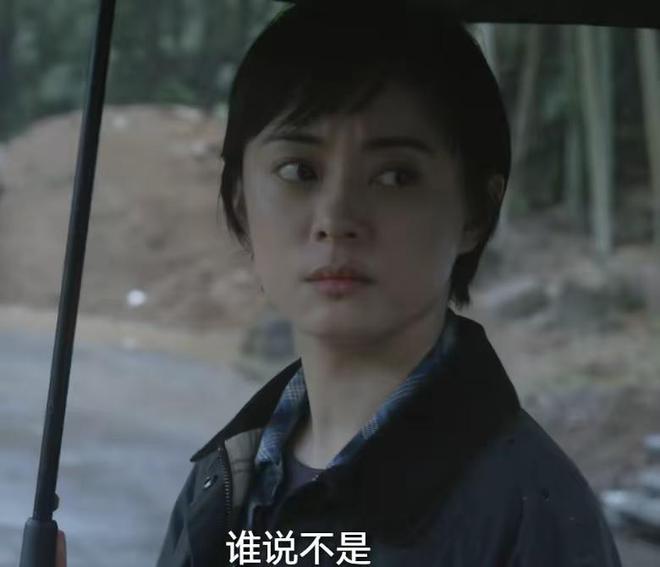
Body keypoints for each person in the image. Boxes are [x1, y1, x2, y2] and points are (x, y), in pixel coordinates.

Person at [154, 2, 622, 566]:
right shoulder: (223, 478)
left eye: (395, 176)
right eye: (299, 171)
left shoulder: (529, 514)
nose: (335, 218)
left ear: (476, 211)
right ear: (240, 203)